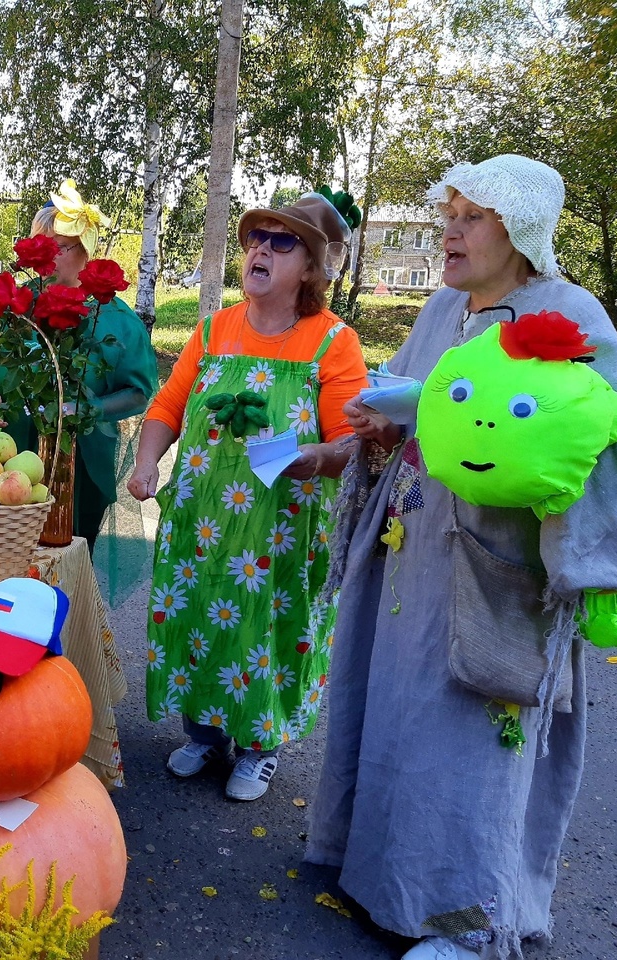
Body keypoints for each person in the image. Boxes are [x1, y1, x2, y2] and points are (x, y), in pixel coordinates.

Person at [304, 155, 617, 959]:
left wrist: (518, 445)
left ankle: (467, 926)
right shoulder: (444, 308)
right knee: (401, 716)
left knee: (470, 742)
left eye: (471, 216)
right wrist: (384, 423)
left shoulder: (568, 313)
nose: (449, 230)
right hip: (412, 556)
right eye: (450, 212)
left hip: (500, 575)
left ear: (521, 231)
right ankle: (382, 878)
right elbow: (416, 406)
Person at [127, 192, 369, 801]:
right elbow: (168, 405)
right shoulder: (212, 330)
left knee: (268, 629)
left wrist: (318, 457)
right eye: (255, 236)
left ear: (312, 267)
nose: (261, 247)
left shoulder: (332, 342)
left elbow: (351, 441)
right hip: (202, 525)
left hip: (280, 529)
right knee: (199, 614)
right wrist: (146, 460)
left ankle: (260, 747)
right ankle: (204, 734)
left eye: (281, 240)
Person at [0, 180, 159, 551]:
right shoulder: (13, 307)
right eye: (40, 247)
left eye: (59, 248)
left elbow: (139, 391)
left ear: (85, 250)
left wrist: (90, 408)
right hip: (9, 457)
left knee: (69, 555)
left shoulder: (117, 321)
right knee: (6, 554)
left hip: (81, 462)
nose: (47, 258)